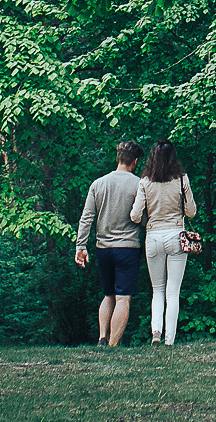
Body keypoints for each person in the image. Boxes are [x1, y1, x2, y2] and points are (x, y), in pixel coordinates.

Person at [73, 139, 150, 347]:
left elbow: (87, 217)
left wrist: (80, 246)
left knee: (108, 294)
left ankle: (101, 338)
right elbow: (142, 218)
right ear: (135, 161)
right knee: (123, 298)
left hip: (103, 249)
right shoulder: (139, 184)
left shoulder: (98, 184)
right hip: (128, 248)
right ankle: (113, 345)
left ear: (117, 159)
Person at [127, 138, 198, 346]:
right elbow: (191, 212)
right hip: (176, 235)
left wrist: (148, 220)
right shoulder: (182, 179)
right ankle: (170, 339)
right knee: (173, 292)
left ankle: (155, 332)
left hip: (153, 237)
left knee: (157, 289)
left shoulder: (145, 182)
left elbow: (134, 215)